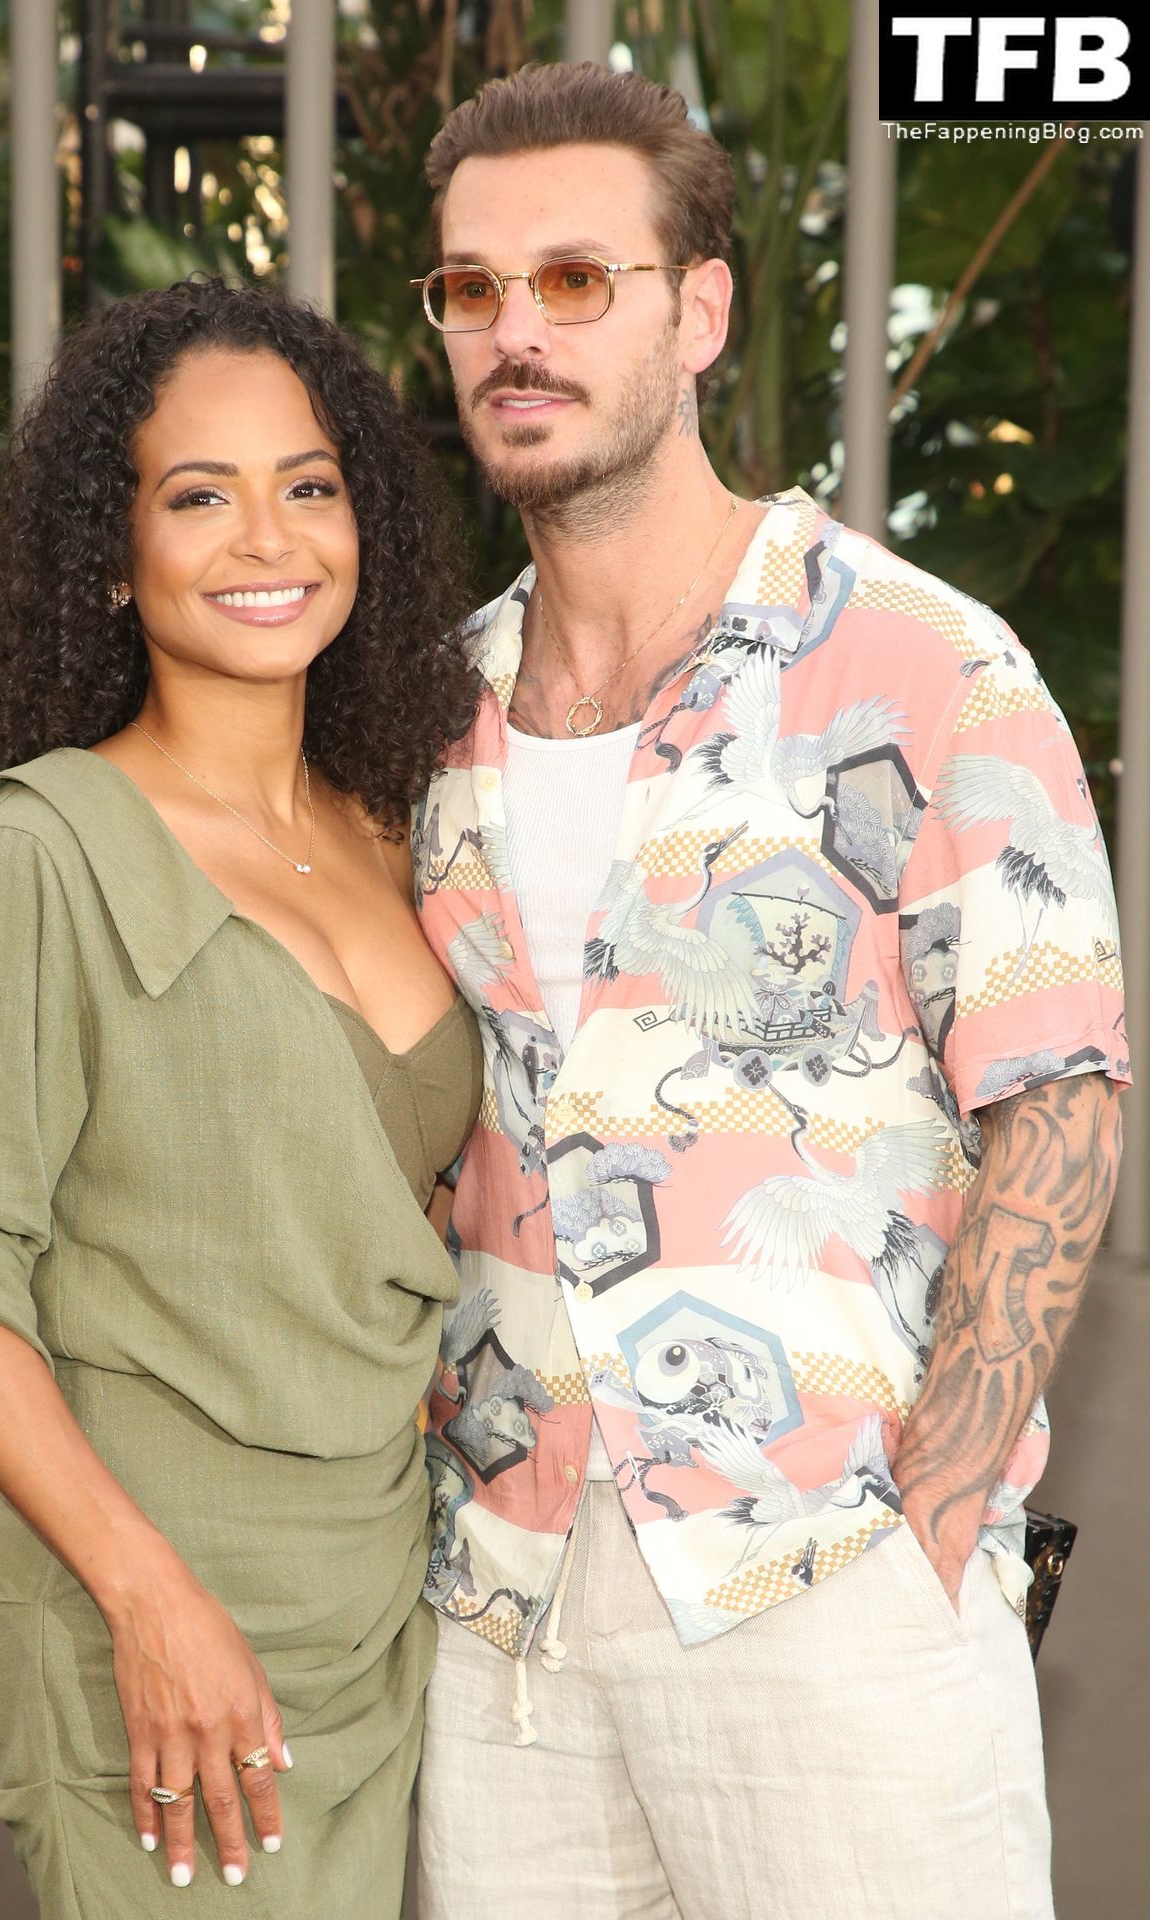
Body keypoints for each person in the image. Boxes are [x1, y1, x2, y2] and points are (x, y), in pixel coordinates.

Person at [408, 61, 1128, 1920]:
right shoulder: (421, 717)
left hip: (827, 1588)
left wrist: (931, 1513)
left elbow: (1058, 1093)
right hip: (504, 1613)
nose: (515, 331)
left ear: (700, 310)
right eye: (473, 287)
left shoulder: (916, 662)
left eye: (577, 279)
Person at [0, 277, 483, 1919]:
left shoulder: (398, 833)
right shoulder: (43, 851)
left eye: (308, 485)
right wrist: (156, 1606)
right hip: (152, 1649)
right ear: (110, 555)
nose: (267, 540)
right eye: (198, 497)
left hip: (377, 1613)